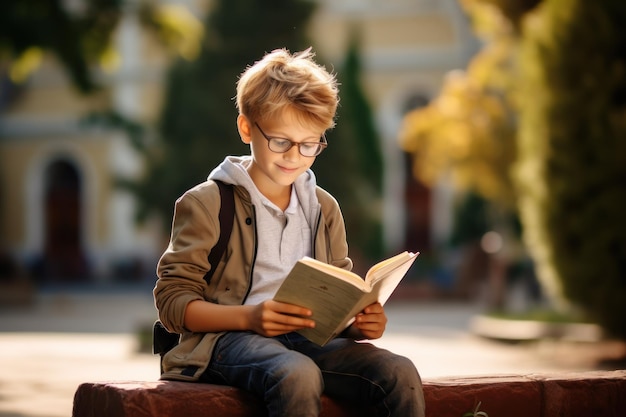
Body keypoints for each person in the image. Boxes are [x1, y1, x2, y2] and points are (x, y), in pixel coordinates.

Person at [154, 48, 425, 417]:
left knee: (398, 372)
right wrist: (250, 318)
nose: (294, 156)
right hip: (226, 341)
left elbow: (336, 295)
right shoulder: (207, 203)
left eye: (309, 144)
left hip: (308, 340)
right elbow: (172, 303)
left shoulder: (323, 208)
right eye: (280, 141)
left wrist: (359, 323)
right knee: (295, 374)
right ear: (247, 127)